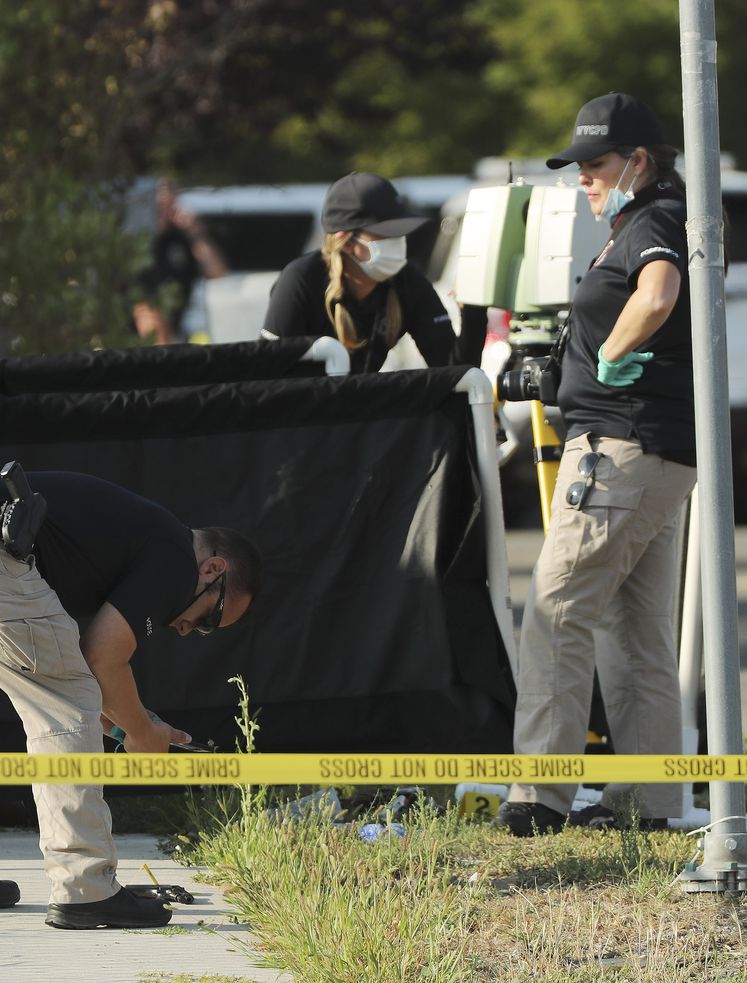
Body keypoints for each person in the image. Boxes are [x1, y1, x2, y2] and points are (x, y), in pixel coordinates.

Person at [0, 470, 261, 928]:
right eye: (210, 618)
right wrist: (141, 732)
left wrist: (123, 717)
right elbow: (102, 657)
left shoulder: (139, 533)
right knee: (65, 705)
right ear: (213, 569)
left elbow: (89, 663)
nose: (189, 629)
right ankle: (85, 887)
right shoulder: (176, 554)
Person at [492, 92, 695, 836]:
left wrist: (608, 353)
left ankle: (538, 799)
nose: (583, 177)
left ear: (638, 160)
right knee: (636, 634)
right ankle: (648, 801)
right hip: (653, 453)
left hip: (620, 448)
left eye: (596, 163)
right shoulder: (650, 218)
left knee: (556, 611)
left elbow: (659, 292)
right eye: (577, 165)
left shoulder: (655, 218)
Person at [261, 171, 456, 372]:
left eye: (400, 232)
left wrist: (471, 312)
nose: (398, 242)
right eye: (386, 234)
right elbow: (269, 372)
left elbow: (455, 371)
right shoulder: (301, 279)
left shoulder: (408, 281)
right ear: (346, 242)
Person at [132, 178, 229, 345]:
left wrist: (196, 233)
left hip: (176, 332)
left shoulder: (182, 238)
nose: (164, 211)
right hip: (139, 335)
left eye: (170, 204)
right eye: (159, 206)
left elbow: (218, 273)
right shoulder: (136, 239)